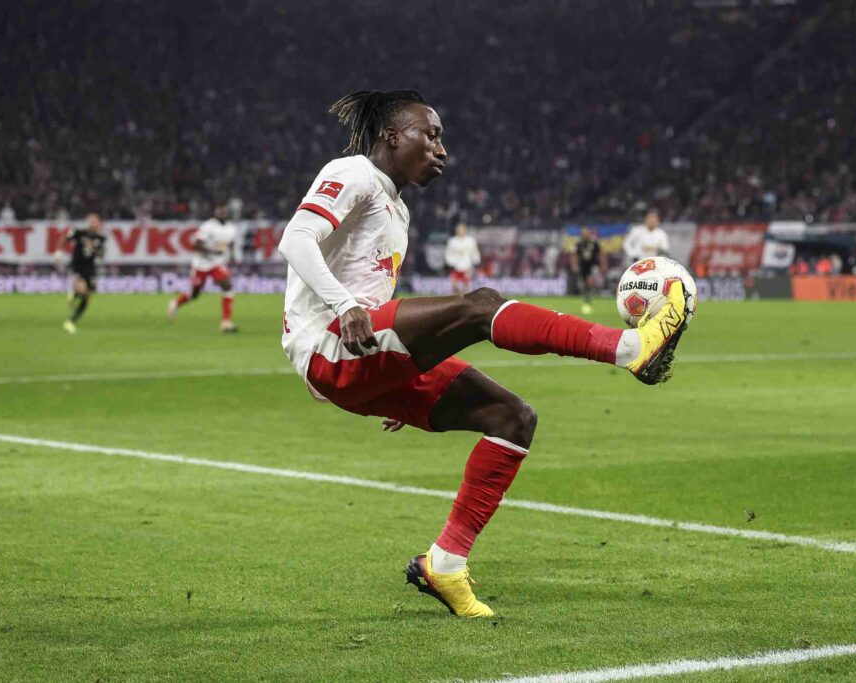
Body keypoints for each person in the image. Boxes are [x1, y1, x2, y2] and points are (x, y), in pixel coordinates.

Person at [277, 90, 688, 618]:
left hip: (362, 355)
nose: (441, 149)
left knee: (512, 418)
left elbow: (374, 297)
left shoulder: (397, 209)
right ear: (392, 136)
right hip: (327, 345)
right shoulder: (352, 172)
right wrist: (345, 306)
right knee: (481, 307)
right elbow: (296, 239)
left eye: (441, 138)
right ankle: (627, 346)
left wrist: (395, 375)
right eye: (431, 135)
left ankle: (444, 564)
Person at [168, 204, 239, 333]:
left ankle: (226, 322)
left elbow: (231, 243)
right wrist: (213, 252)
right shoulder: (208, 226)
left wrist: (233, 256)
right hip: (201, 264)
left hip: (218, 263)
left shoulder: (231, 228)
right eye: (220, 211)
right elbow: (196, 245)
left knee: (227, 286)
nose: (222, 213)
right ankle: (176, 303)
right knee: (195, 294)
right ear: (216, 212)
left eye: (224, 211)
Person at [56, 213, 106, 334]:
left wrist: (96, 250)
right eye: (91, 221)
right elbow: (64, 239)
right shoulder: (79, 232)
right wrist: (58, 253)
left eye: (95, 221)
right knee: (82, 290)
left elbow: (101, 254)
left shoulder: (100, 238)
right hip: (77, 266)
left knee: (87, 298)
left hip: (90, 268)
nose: (93, 224)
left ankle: (71, 320)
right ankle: (74, 295)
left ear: (99, 223)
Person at [573, 226, 605, 315]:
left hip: (593, 265)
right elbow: (574, 255)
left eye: (586, 234)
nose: (585, 235)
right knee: (584, 284)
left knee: (590, 281)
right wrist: (574, 265)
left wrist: (603, 264)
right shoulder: (579, 244)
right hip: (583, 266)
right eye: (583, 234)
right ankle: (587, 298)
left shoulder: (594, 243)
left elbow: (601, 254)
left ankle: (590, 296)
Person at [444, 222, 481, 294]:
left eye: (462, 229)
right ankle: (455, 297)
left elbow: (475, 252)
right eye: (459, 229)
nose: (460, 231)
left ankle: (466, 298)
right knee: (455, 286)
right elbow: (448, 253)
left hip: (467, 266)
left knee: (466, 286)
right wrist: (450, 262)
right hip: (455, 266)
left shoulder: (470, 240)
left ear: (465, 230)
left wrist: (476, 261)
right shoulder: (452, 241)